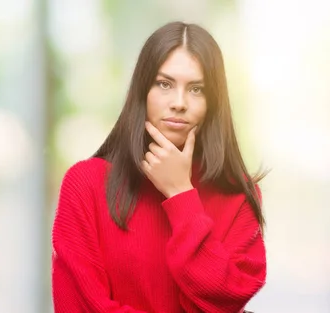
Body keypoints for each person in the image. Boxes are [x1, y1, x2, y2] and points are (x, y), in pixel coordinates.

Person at [51, 21, 267, 313]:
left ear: (213, 102)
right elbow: (80, 307)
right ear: (143, 91)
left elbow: (224, 299)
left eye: (196, 89)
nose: (179, 103)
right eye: (164, 84)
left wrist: (180, 195)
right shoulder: (85, 184)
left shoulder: (238, 195)